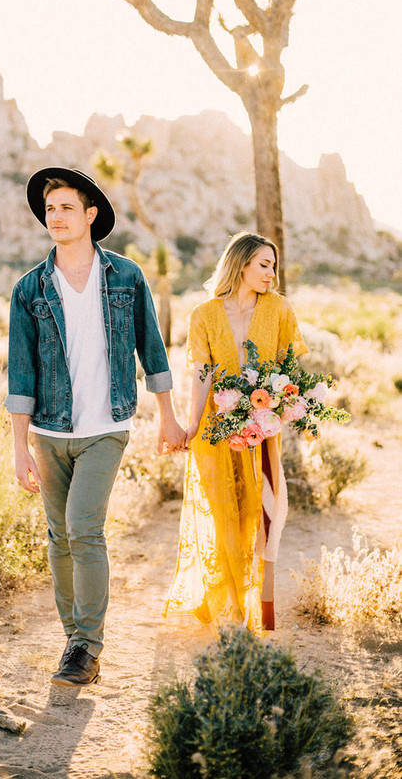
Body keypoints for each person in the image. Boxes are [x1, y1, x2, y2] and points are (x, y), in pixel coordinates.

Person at [6, 167, 185, 686]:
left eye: (66, 207)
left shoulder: (126, 276)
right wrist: (20, 447)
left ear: (90, 215)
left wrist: (168, 416)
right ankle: (74, 641)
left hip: (107, 425)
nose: (55, 217)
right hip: (49, 432)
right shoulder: (29, 288)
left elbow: (152, 349)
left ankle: (87, 645)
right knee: (58, 536)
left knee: (83, 529)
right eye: (49, 209)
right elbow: (21, 373)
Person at [164, 231, 308, 632]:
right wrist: (193, 423)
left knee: (259, 512)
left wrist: (284, 404)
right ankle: (232, 602)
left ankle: (253, 602)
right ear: (241, 264)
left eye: (274, 266)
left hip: (263, 430)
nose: (271, 273)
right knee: (224, 512)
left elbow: (290, 370)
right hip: (217, 427)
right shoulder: (205, 314)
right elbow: (202, 375)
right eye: (264, 265)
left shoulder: (279, 309)